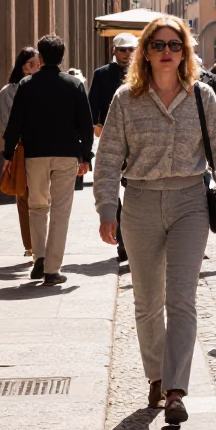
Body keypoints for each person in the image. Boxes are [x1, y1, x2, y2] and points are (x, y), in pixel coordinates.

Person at [94, 16, 216, 426]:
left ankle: (177, 390)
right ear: (145, 52)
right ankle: (157, 375)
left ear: (185, 52)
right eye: (158, 45)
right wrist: (107, 208)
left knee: (181, 298)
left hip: (189, 202)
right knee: (146, 302)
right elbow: (107, 159)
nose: (166, 52)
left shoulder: (203, 97)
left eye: (174, 45)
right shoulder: (126, 99)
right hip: (139, 203)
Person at [1, 34, 95, 285]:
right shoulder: (74, 85)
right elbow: (85, 124)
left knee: (38, 207)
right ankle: (52, 269)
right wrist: (86, 156)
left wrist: (8, 154)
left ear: (40, 58)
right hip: (66, 155)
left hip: (35, 155)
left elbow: (15, 123)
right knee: (61, 211)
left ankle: (39, 258)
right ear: (61, 57)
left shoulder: (27, 85)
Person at [89, 33, 137, 261]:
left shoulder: (143, 73)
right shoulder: (102, 75)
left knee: (134, 189)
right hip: (111, 139)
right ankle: (122, 241)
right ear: (114, 51)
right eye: (123, 50)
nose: (127, 54)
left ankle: (131, 237)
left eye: (130, 49)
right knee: (111, 188)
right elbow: (92, 107)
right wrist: (96, 126)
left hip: (137, 140)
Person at [0, 46, 42, 258]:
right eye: (29, 64)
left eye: (37, 64)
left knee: (42, 198)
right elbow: (8, 125)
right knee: (24, 198)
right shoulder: (8, 92)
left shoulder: (44, 87)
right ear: (21, 66)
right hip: (21, 150)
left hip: (44, 149)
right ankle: (30, 245)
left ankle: (41, 244)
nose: (34, 68)